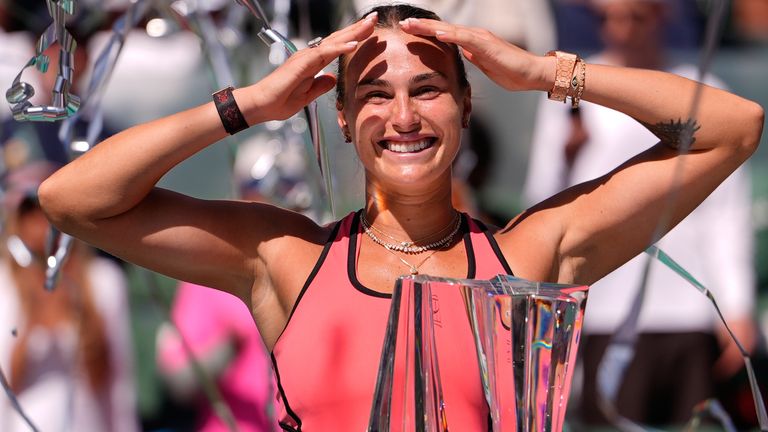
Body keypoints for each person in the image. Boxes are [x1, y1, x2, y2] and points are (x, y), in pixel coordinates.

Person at [36, 4, 763, 431]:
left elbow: (733, 126)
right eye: (377, 94)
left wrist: (542, 72)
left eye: (429, 89)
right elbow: (74, 200)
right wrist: (251, 105)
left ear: (466, 105)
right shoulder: (284, 260)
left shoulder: (532, 256)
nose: (405, 116)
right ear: (344, 118)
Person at [524, 0, 758, 426]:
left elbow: (725, 214)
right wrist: (566, 157)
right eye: (607, 18)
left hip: (688, 306)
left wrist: (737, 305)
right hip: (604, 308)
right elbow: (541, 204)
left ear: (661, 17)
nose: (619, 30)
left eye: (633, 17)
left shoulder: (703, 89)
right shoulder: (568, 95)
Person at [0, 161, 138, 432]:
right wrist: (34, 318)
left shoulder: (103, 281)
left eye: (50, 209)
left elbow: (118, 383)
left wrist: (83, 316)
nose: (41, 221)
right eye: (31, 210)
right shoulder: (3, 287)